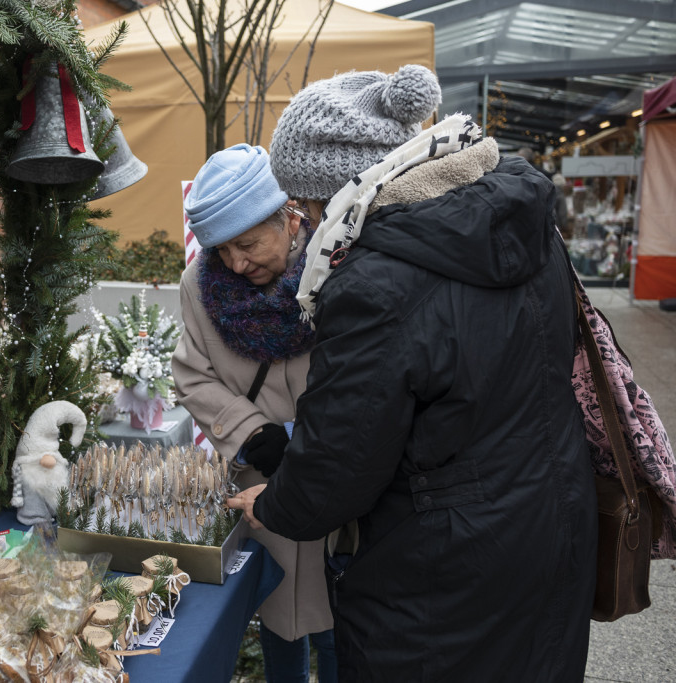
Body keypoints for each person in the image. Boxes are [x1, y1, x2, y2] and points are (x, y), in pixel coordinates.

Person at [227, 65, 597, 681]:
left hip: (445, 564)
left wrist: (280, 503)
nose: (312, 222)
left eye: (308, 202)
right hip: (551, 515)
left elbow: (341, 465)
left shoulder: (374, 282)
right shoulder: (522, 220)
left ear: (341, 188)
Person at [173, 143, 336, 683]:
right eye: (222, 249)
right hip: (260, 485)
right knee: (279, 614)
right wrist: (254, 433)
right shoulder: (199, 286)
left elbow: (372, 382)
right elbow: (192, 374)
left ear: (290, 218)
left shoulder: (339, 268)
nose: (237, 264)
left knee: (345, 620)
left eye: (248, 243)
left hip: (338, 480)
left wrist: (304, 438)